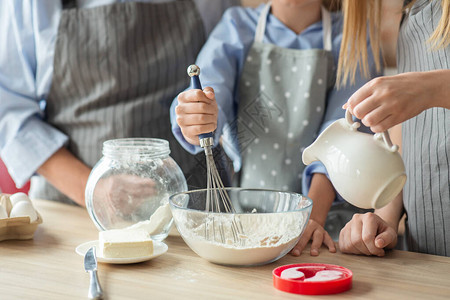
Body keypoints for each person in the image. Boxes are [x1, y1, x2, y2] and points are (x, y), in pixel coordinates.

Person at [171, 0, 381, 255]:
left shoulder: (353, 37)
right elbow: (211, 95)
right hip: (250, 222)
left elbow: (342, 141)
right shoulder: (236, 26)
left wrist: (310, 220)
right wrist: (196, 117)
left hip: (325, 230)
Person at [0, 0, 239, 206]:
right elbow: (11, 113)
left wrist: (201, 115)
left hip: (191, 205)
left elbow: (223, 76)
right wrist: (93, 190)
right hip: (71, 209)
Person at [337, 0, 450, 256]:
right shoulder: (409, 14)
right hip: (427, 249)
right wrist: (384, 218)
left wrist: (432, 88)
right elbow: (414, 130)